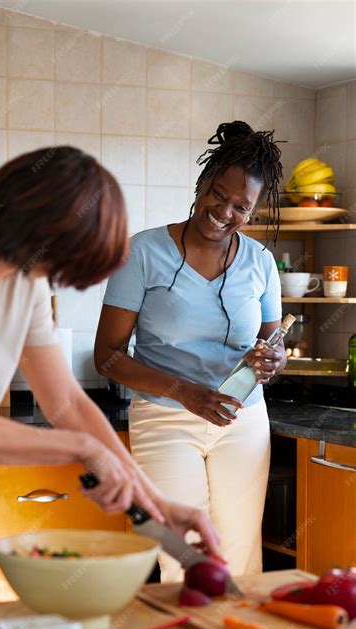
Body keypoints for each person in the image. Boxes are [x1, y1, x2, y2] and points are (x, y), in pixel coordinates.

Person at [0, 146, 221, 599]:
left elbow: (67, 402)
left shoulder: (24, 281)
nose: (54, 279)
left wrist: (157, 507)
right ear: (34, 234)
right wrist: (80, 449)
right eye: (60, 266)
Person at [94, 121, 285, 581]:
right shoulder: (142, 252)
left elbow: (272, 347)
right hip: (165, 419)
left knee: (240, 556)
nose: (224, 211)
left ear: (253, 211)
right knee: (186, 554)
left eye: (241, 206)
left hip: (243, 420)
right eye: (218, 195)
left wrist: (273, 362)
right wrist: (185, 392)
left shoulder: (259, 261)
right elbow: (108, 355)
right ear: (201, 185)